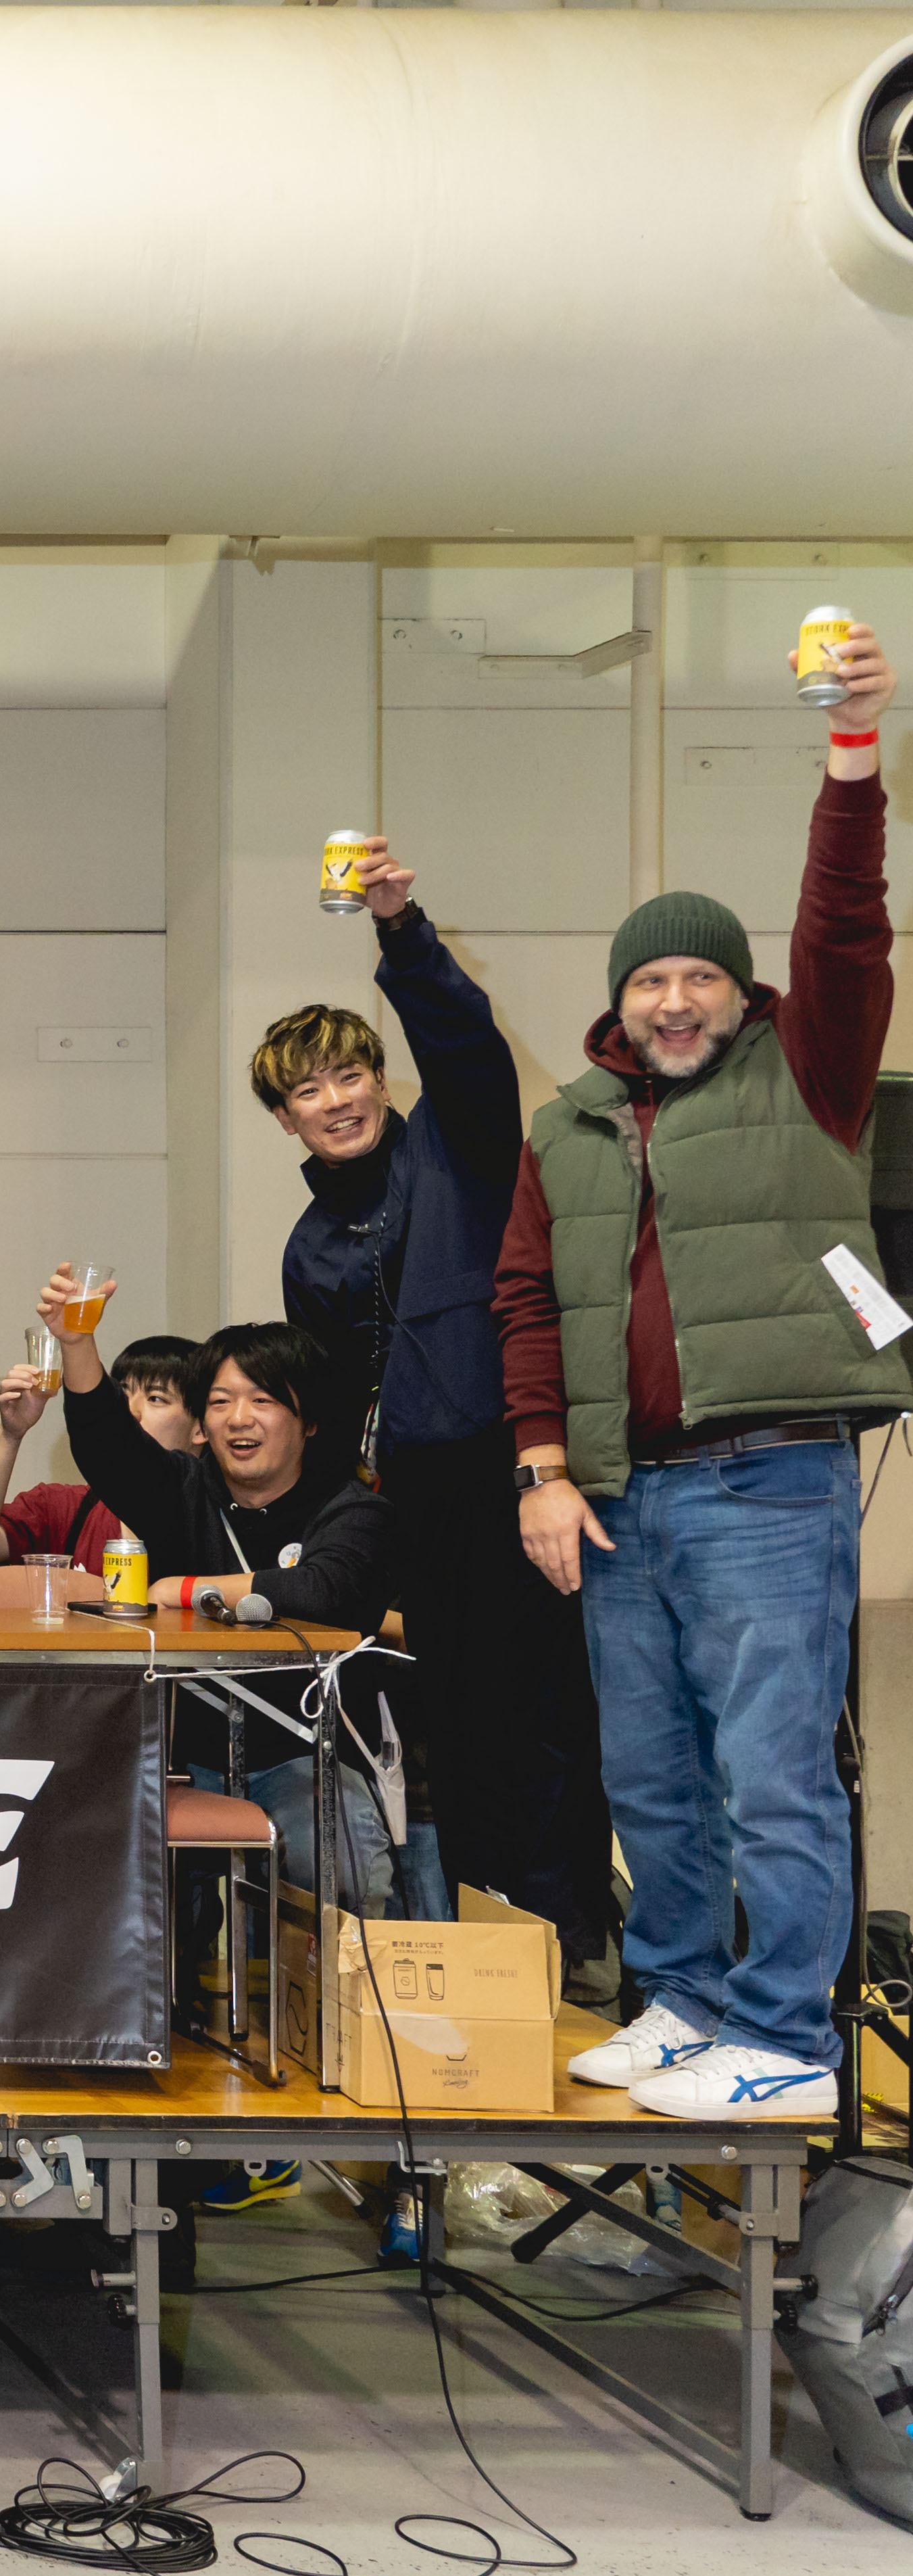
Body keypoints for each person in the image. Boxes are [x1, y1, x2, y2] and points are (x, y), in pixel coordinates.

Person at [500, 627, 904, 2122]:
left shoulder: (812, 1072)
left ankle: (787, 2040)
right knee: (650, 1779)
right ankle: (681, 2001)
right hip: (616, 1499)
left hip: (767, 1482)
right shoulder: (567, 1127)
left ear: (739, 992)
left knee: (773, 1776)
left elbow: (843, 927)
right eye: (649, 978)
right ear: (618, 1000)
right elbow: (525, 1301)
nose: (674, 998)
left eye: (700, 975)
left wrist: (850, 755)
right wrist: (544, 1469)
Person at [255, 843, 612, 1960]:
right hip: (408, 1503)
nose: (333, 1101)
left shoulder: (459, 1149)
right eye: (306, 1090)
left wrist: (400, 933)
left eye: (347, 1076)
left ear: (378, 1080)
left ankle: (570, 1935)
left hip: (512, 1469)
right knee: (445, 1731)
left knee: (545, 1714)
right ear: (285, 1119)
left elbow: (464, 1042)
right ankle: (485, 1941)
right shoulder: (307, 1249)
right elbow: (323, 1412)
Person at [51, 1277, 397, 1908]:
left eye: (263, 1400)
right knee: (107, 1873)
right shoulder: (179, 1489)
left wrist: (183, 1589)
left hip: (302, 1755)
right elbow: (106, 1444)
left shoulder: (351, 1509)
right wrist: (77, 1342)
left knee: (345, 1870)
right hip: (180, 1756)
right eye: (219, 1402)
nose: (239, 1419)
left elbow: (324, 1590)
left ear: (309, 1421)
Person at [0, 1333, 199, 1573]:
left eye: (156, 1398)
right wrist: (10, 1434)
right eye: (122, 1393)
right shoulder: (67, 1508)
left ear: (201, 1428)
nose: (130, 1411)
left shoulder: (211, 1521)